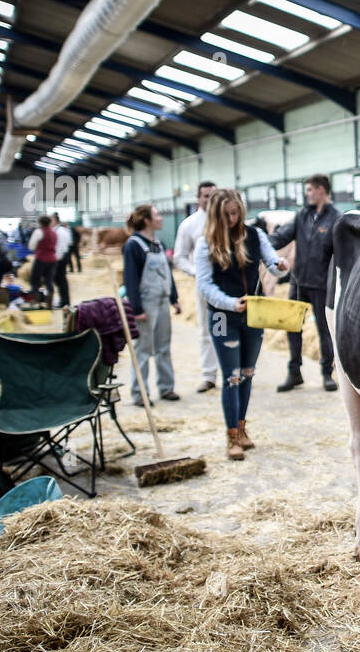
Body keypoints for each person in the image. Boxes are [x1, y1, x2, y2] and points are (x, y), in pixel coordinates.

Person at [195, 189, 290, 460]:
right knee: (231, 377)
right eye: (227, 214)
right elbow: (204, 284)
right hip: (223, 316)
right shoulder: (206, 243)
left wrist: (281, 265)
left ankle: (242, 427)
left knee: (248, 373)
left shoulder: (255, 235)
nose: (233, 218)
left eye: (236, 213)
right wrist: (229, 302)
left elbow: (272, 263)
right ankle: (231, 437)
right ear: (216, 215)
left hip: (254, 314)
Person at [272, 173, 339, 393]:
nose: (307, 194)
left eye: (310, 189)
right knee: (292, 327)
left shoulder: (336, 218)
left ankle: (327, 373)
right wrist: (258, 241)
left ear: (321, 190)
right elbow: (282, 236)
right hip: (299, 282)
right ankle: (295, 372)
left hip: (322, 284)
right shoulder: (302, 215)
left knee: (324, 330)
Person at [123, 203, 181, 407]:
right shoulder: (134, 245)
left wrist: (174, 297)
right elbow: (130, 279)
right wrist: (136, 309)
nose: (161, 218)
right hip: (146, 303)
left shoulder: (159, 243)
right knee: (144, 349)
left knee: (163, 346)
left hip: (163, 299)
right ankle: (140, 393)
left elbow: (168, 273)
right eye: (157, 215)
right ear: (146, 220)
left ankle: (166, 387)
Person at [173, 181, 220, 394]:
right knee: (206, 330)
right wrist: (196, 272)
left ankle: (235, 371)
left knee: (233, 327)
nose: (209, 200)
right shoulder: (189, 224)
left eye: (213, 195)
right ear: (198, 198)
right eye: (205, 196)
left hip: (229, 284)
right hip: (204, 285)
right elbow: (179, 257)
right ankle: (209, 375)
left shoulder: (226, 219)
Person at [28, 214, 59, 306]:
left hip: (41, 258)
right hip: (53, 259)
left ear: (40, 223)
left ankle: (36, 301)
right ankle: (50, 302)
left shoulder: (38, 232)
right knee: (49, 281)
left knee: (34, 280)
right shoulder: (54, 232)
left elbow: (31, 246)